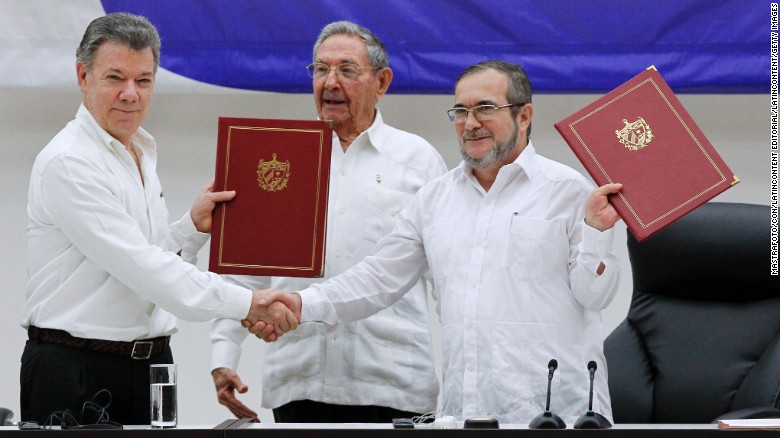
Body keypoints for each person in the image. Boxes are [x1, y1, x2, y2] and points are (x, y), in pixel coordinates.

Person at [251, 60, 624, 425]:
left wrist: (598, 233)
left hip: (558, 414)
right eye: (460, 111)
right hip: (466, 413)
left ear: (524, 116)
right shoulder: (435, 199)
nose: (471, 123)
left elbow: (596, 295)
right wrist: (301, 303)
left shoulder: (569, 190)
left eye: (485, 109)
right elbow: (377, 277)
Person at [20, 12, 294, 426]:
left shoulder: (141, 149)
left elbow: (146, 265)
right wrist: (249, 303)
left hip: (149, 367)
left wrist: (193, 228)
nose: (131, 93)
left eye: (144, 80)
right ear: (83, 75)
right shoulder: (70, 161)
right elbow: (145, 269)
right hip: (75, 369)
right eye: (115, 77)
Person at [210, 21, 446, 423]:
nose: (330, 82)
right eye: (320, 70)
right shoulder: (277, 159)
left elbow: (446, 276)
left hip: (394, 384)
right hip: (299, 379)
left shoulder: (418, 161)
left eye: (347, 70)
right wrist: (223, 356)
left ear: (382, 81)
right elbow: (244, 269)